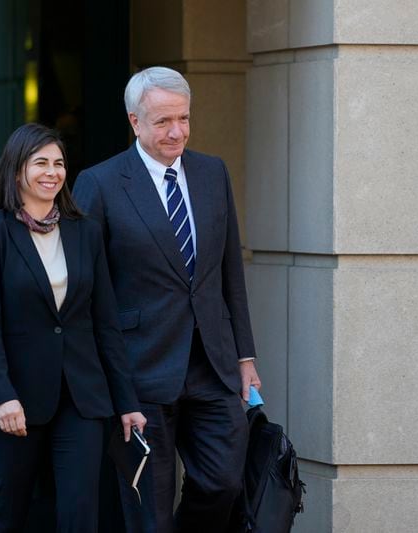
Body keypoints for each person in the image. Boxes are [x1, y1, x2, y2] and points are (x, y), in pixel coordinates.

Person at [73, 66, 262, 533]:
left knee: (224, 484)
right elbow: (88, 290)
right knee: (147, 511)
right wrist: (106, 379)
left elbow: (229, 271)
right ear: (134, 122)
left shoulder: (212, 172)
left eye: (183, 118)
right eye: (162, 122)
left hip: (211, 366)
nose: (176, 131)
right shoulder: (99, 183)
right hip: (139, 370)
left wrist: (245, 354)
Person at [0, 123, 146, 533]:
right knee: (5, 517)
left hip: (82, 398)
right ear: (17, 172)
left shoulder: (85, 232)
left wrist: (126, 400)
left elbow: (105, 323)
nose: (52, 172)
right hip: (15, 399)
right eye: (41, 163)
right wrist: (3, 396)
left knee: (80, 517)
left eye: (59, 163)